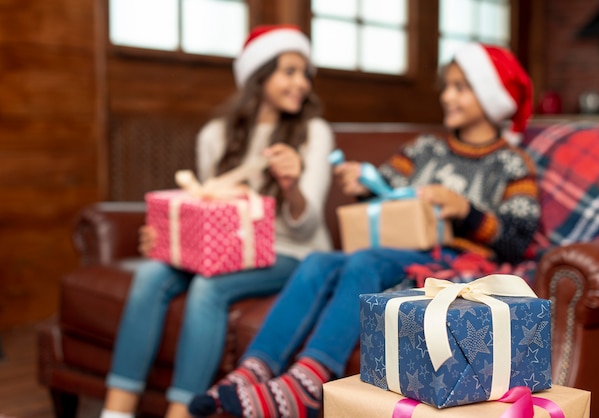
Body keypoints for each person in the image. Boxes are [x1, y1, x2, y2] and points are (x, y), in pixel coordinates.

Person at [188, 42, 540, 418]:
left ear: (491, 96)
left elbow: (517, 239)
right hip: (396, 250)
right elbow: (378, 196)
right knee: (319, 260)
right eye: (447, 86)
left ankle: (310, 380)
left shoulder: (512, 163)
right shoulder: (423, 149)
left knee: (364, 261)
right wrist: (362, 184)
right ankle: (253, 368)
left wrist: (466, 210)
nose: (447, 96)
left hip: (451, 263)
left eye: (461, 87)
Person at [99, 25, 334, 418]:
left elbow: (305, 227)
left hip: (291, 251)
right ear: (259, 75)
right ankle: (116, 410)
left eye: (305, 74)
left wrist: (291, 187)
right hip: (227, 250)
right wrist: (166, 239)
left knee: (208, 288)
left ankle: (181, 412)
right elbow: (209, 215)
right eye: (289, 71)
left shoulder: (313, 133)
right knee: (150, 275)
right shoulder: (215, 135)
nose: (301, 84)